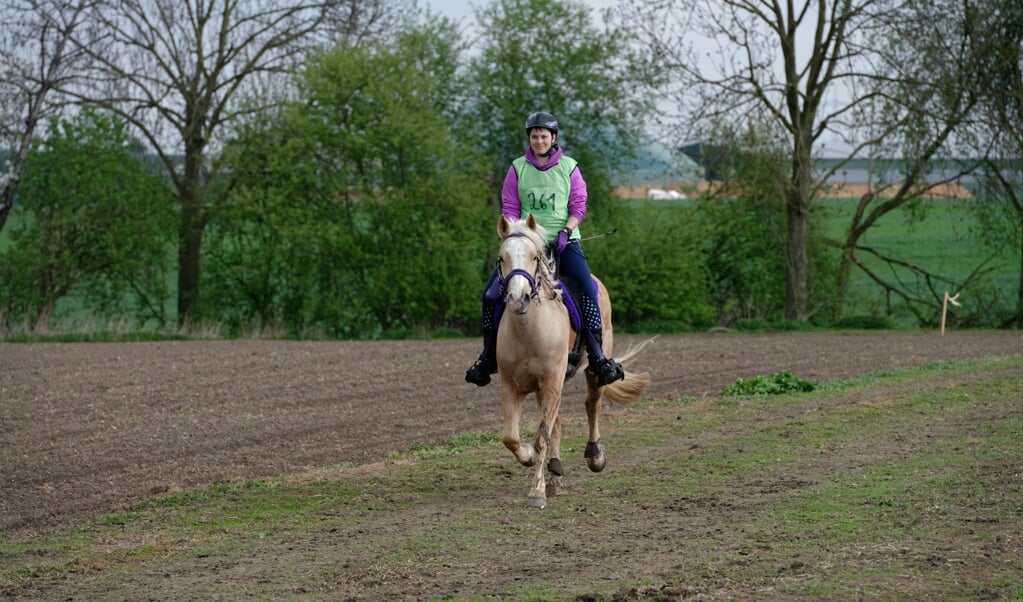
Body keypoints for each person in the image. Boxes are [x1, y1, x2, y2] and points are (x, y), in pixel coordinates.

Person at [465, 111, 625, 387]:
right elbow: (510, 208)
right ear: (529, 138)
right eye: (534, 136)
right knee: (491, 295)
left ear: (553, 138)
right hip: (527, 244)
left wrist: (565, 230)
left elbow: (578, 205)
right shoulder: (517, 168)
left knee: (587, 290)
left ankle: (599, 358)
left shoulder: (569, 167)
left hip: (565, 242)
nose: (538, 140)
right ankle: (487, 357)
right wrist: (520, 236)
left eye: (543, 136)